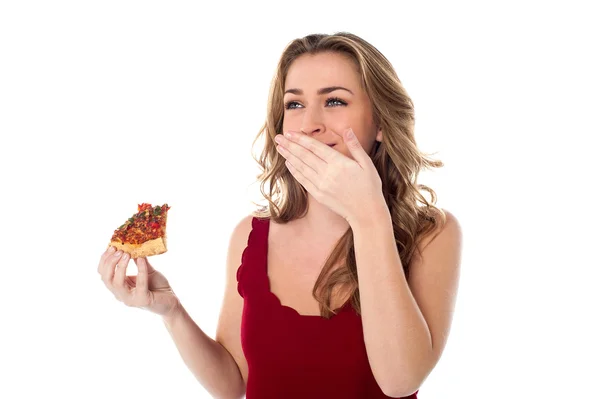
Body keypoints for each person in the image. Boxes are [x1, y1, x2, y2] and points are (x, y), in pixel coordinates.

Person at [98, 32, 462, 399]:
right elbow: (232, 383)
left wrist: (368, 217)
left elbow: (400, 380)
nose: (310, 124)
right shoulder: (250, 235)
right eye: (294, 105)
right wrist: (171, 310)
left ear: (381, 122)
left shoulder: (432, 234)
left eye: (334, 101)